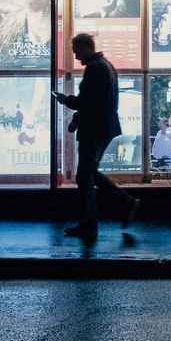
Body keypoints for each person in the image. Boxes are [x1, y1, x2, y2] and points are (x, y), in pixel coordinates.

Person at [54, 33, 140, 237]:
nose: (76, 57)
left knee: (84, 175)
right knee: (89, 172)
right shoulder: (106, 66)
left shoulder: (95, 68)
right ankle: (121, 205)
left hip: (94, 128)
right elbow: (97, 101)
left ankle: (94, 220)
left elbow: (87, 102)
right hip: (105, 127)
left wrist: (66, 100)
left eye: (76, 52)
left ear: (85, 48)